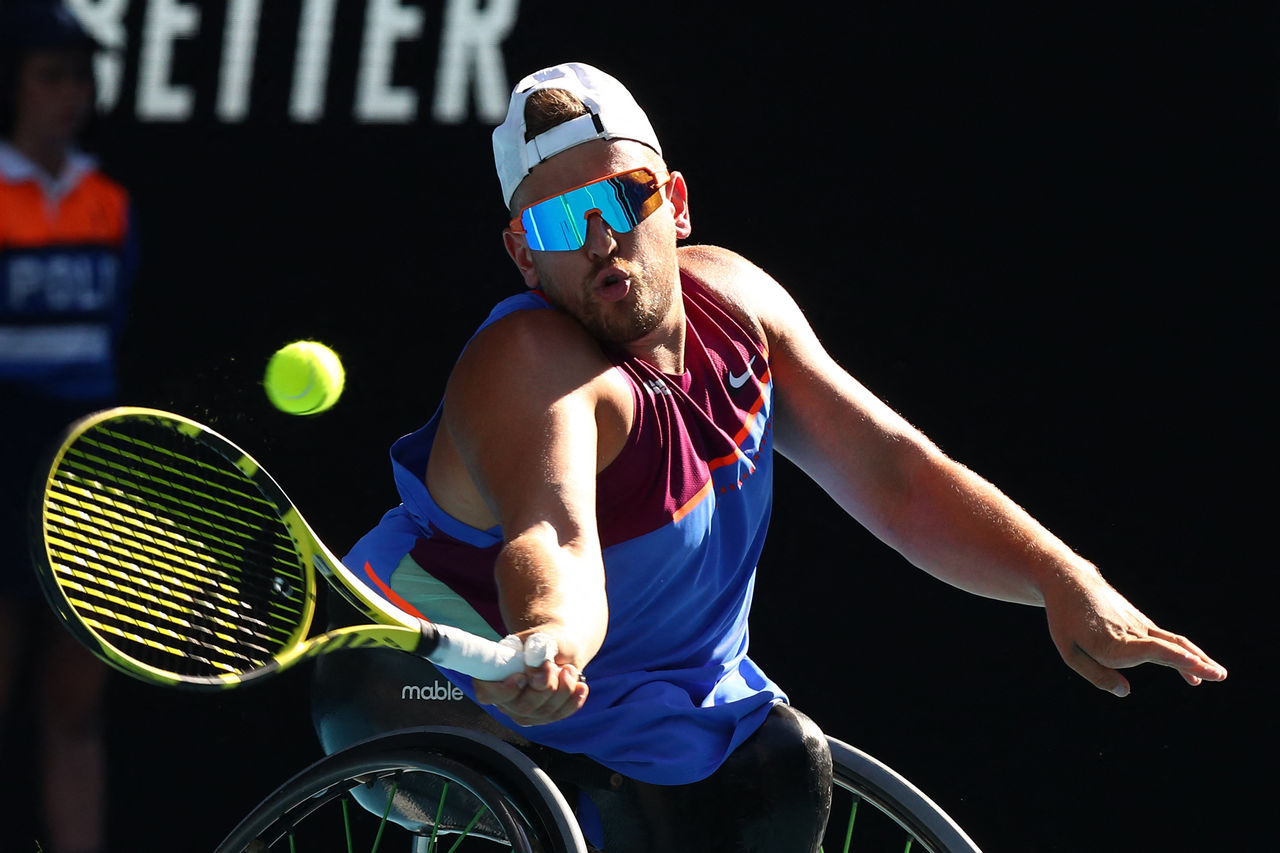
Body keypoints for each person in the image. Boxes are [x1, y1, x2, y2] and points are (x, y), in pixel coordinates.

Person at [313, 61, 1227, 852]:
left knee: (775, 778)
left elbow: (895, 475)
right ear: (523, 255)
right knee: (590, 804)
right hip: (436, 674)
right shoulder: (525, 367)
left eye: (621, 199)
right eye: (559, 225)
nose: (599, 240)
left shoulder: (742, 308)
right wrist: (549, 637)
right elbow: (554, 538)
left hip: (643, 694)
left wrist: (1062, 578)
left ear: (671, 201)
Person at [0, 2, 137, 851]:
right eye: (51, 75)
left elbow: (111, 332)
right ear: (11, 85)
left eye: (80, 76)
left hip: (81, 461)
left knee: (76, 701)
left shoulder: (108, 200)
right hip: (1, 455)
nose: (70, 94)